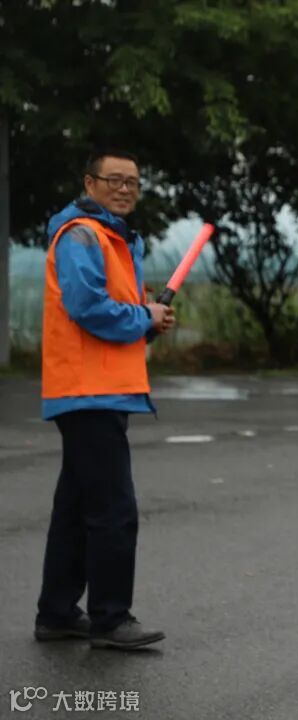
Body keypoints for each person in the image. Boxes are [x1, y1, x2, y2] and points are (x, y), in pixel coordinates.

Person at [35, 149, 173, 650]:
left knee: (76, 508)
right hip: (88, 390)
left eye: (132, 182)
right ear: (89, 183)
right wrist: (142, 317)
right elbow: (88, 307)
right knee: (114, 510)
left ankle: (57, 613)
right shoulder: (82, 235)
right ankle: (111, 620)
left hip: (98, 388)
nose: (124, 188)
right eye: (114, 179)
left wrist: (148, 320)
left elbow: (115, 315)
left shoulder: (114, 238)